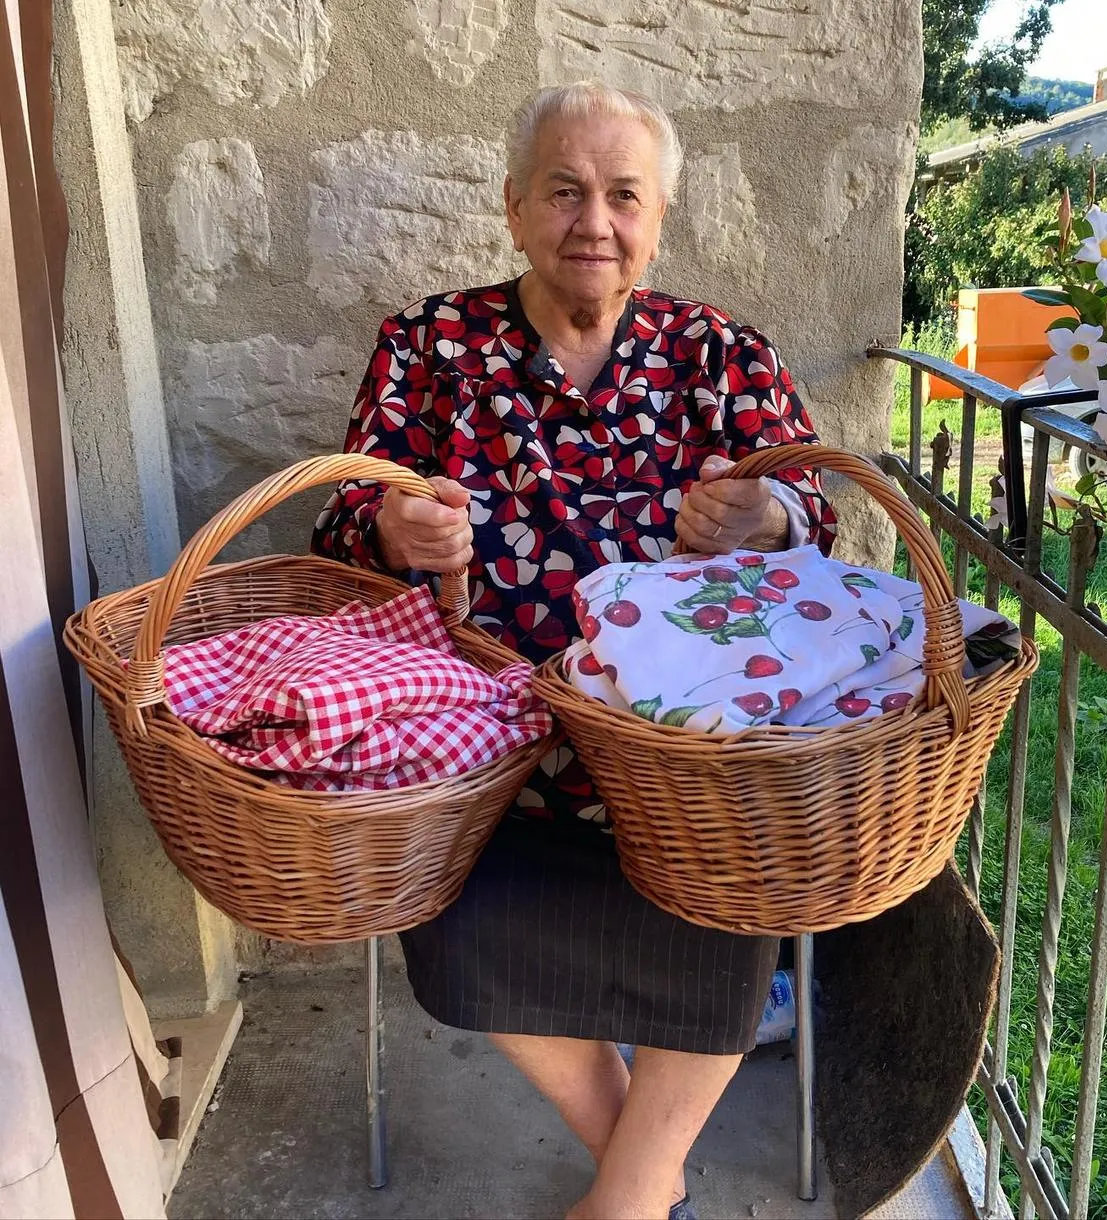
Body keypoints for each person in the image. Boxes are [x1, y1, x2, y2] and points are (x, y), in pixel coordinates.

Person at [313, 80, 836, 1220]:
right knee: (439, 891)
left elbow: (820, 524)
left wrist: (768, 522)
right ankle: (641, 1164)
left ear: (657, 217)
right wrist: (389, 526)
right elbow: (339, 523)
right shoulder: (426, 346)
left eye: (621, 194)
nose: (591, 219)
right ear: (511, 206)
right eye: (563, 189)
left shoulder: (720, 353)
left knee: (744, 873)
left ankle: (631, 1191)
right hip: (485, 736)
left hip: (680, 749)